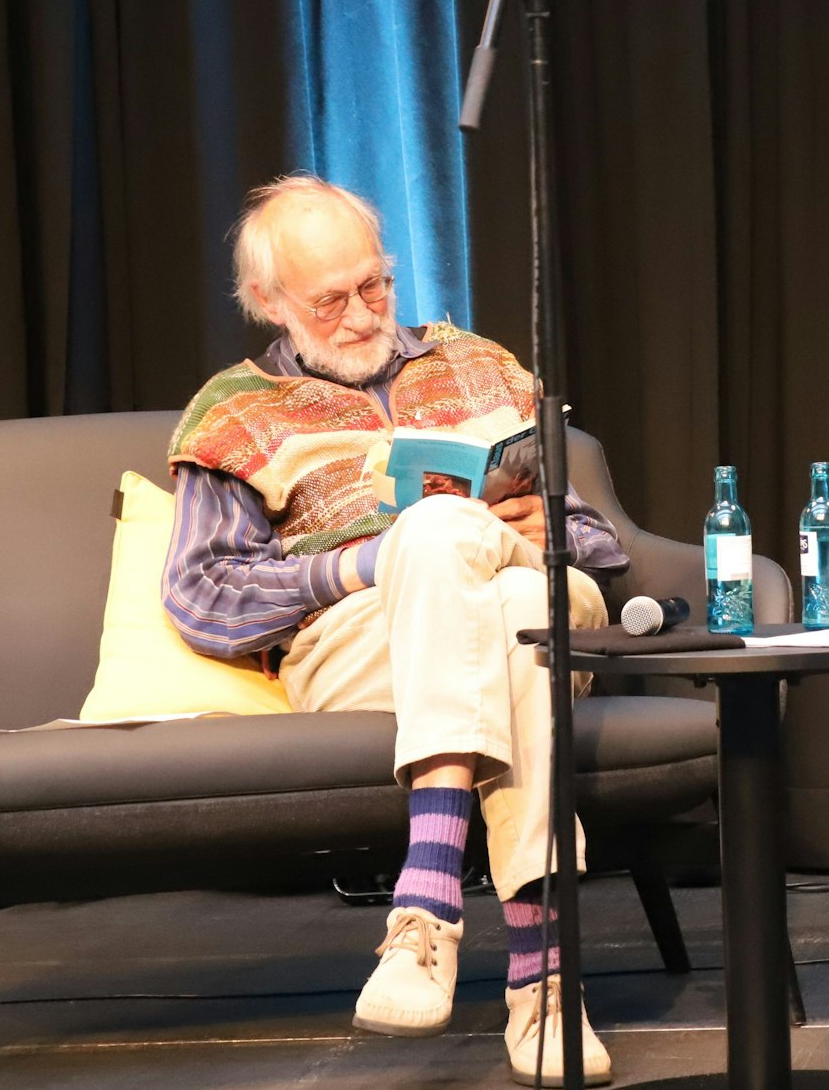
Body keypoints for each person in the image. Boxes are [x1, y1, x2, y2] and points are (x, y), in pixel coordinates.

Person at [164, 175, 627, 1086]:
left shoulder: (485, 367)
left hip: (537, 596)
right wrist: (361, 562)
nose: (359, 313)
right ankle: (546, 984)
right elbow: (201, 597)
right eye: (329, 299)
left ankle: (425, 911)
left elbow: (602, 544)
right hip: (362, 639)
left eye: (373, 285)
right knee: (472, 571)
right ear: (269, 301)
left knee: (513, 587)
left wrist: (547, 528)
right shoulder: (231, 412)